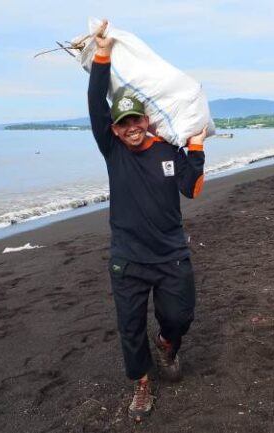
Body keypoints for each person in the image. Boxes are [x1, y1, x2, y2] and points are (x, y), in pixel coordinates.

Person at [87, 20, 207, 420]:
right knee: (130, 326)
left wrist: (196, 147)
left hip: (171, 254)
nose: (131, 129)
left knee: (180, 316)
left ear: (147, 120)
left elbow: (192, 189)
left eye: (135, 120)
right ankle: (141, 384)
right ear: (114, 130)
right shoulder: (113, 151)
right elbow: (95, 101)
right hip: (128, 259)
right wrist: (102, 53)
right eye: (123, 124)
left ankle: (169, 343)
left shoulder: (168, 150)